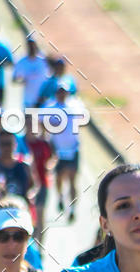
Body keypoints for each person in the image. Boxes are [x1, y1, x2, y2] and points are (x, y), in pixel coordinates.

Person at [48, 82, 88, 222]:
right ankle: (60, 197)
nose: (61, 94)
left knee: (72, 180)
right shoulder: (50, 107)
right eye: (59, 91)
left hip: (73, 149)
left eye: (64, 91)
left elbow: (84, 121)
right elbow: (42, 124)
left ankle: (72, 209)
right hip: (57, 150)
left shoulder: (75, 105)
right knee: (59, 178)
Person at [25, 117, 53, 246]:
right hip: (26, 186)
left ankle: (39, 247)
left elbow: (52, 158)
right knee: (28, 217)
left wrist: (50, 166)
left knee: (40, 216)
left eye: (33, 125)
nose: (31, 127)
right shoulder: (21, 143)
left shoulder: (43, 143)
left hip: (42, 184)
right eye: (29, 124)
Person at [0, 130, 34, 200]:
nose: (6, 147)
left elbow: (33, 186)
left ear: (15, 145)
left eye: (9, 144)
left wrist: (30, 195)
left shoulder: (25, 166)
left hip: (21, 204)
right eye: (3, 144)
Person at [12, 38, 49, 108]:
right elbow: (14, 79)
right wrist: (21, 80)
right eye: (30, 46)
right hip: (28, 99)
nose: (31, 48)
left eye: (33, 45)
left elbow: (48, 78)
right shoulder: (22, 62)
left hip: (41, 99)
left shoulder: (42, 61)